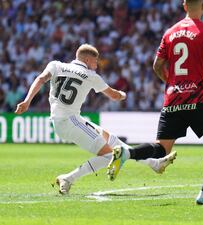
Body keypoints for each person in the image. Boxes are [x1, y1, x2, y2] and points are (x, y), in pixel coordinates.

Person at [107, 0, 203, 205]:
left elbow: (157, 65)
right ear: (202, 6)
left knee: (161, 149)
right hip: (199, 98)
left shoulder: (169, 32)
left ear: (184, 6)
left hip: (173, 98)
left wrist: (171, 82)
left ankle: (127, 152)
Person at [15, 44, 175, 195]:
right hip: (70, 122)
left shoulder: (55, 65)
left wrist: (28, 101)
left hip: (65, 120)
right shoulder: (90, 75)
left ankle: (154, 163)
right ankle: (69, 178)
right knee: (112, 155)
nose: (97, 64)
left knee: (112, 139)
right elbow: (113, 95)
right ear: (87, 60)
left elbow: (41, 79)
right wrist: (123, 94)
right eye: (95, 60)